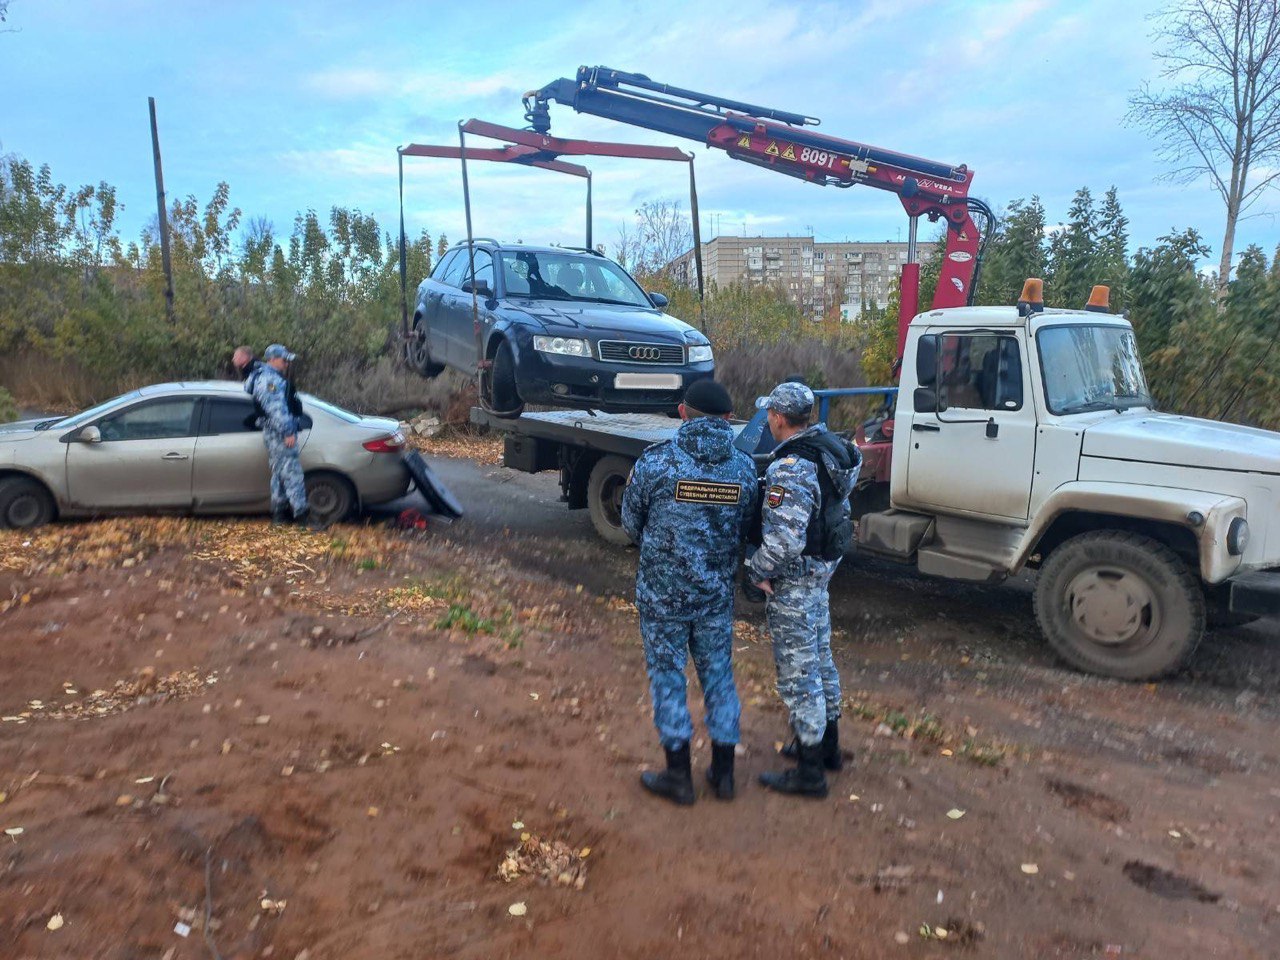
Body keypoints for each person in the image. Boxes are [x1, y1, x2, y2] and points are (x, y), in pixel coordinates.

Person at [621, 379, 758, 805]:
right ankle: (724, 774)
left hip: (663, 600)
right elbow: (748, 527)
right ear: (726, 418)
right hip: (715, 598)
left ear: (684, 412)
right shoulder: (743, 468)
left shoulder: (656, 463)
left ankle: (678, 777)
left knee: (667, 678)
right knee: (719, 677)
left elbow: (630, 523)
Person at [747, 382, 860, 798]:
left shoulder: (791, 468)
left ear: (777, 417)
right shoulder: (832, 451)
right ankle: (827, 747)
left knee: (799, 673)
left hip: (794, 580)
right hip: (821, 573)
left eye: (769, 413)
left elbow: (784, 542)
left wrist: (755, 571)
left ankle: (810, 771)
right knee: (821, 659)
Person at [245, 343, 312, 528]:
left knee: (280, 473)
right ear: (273, 359)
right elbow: (277, 410)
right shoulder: (269, 381)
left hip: (274, 432)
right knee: (292, 473)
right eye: (284, 360)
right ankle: (302, 517)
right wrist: (288, 431)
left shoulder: (268, 377)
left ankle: (279, 514)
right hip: (279, 433)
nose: (286, 364)